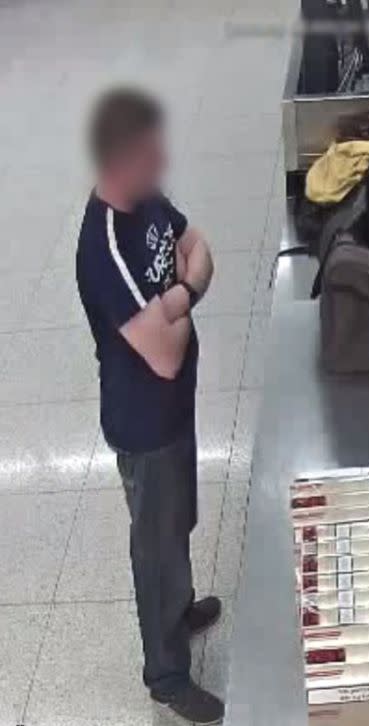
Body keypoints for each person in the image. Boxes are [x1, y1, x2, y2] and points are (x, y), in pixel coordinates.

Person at [76, 88, 223, 725]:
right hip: (144, 424)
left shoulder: (147, 200)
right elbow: (160, 355)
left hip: (175, 408)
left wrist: (176, 295)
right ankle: (165, 675)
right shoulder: (103, 249)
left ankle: (182, 607)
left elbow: (202, 249)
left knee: (177, 521)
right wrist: (185, 295)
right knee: (155, 548)